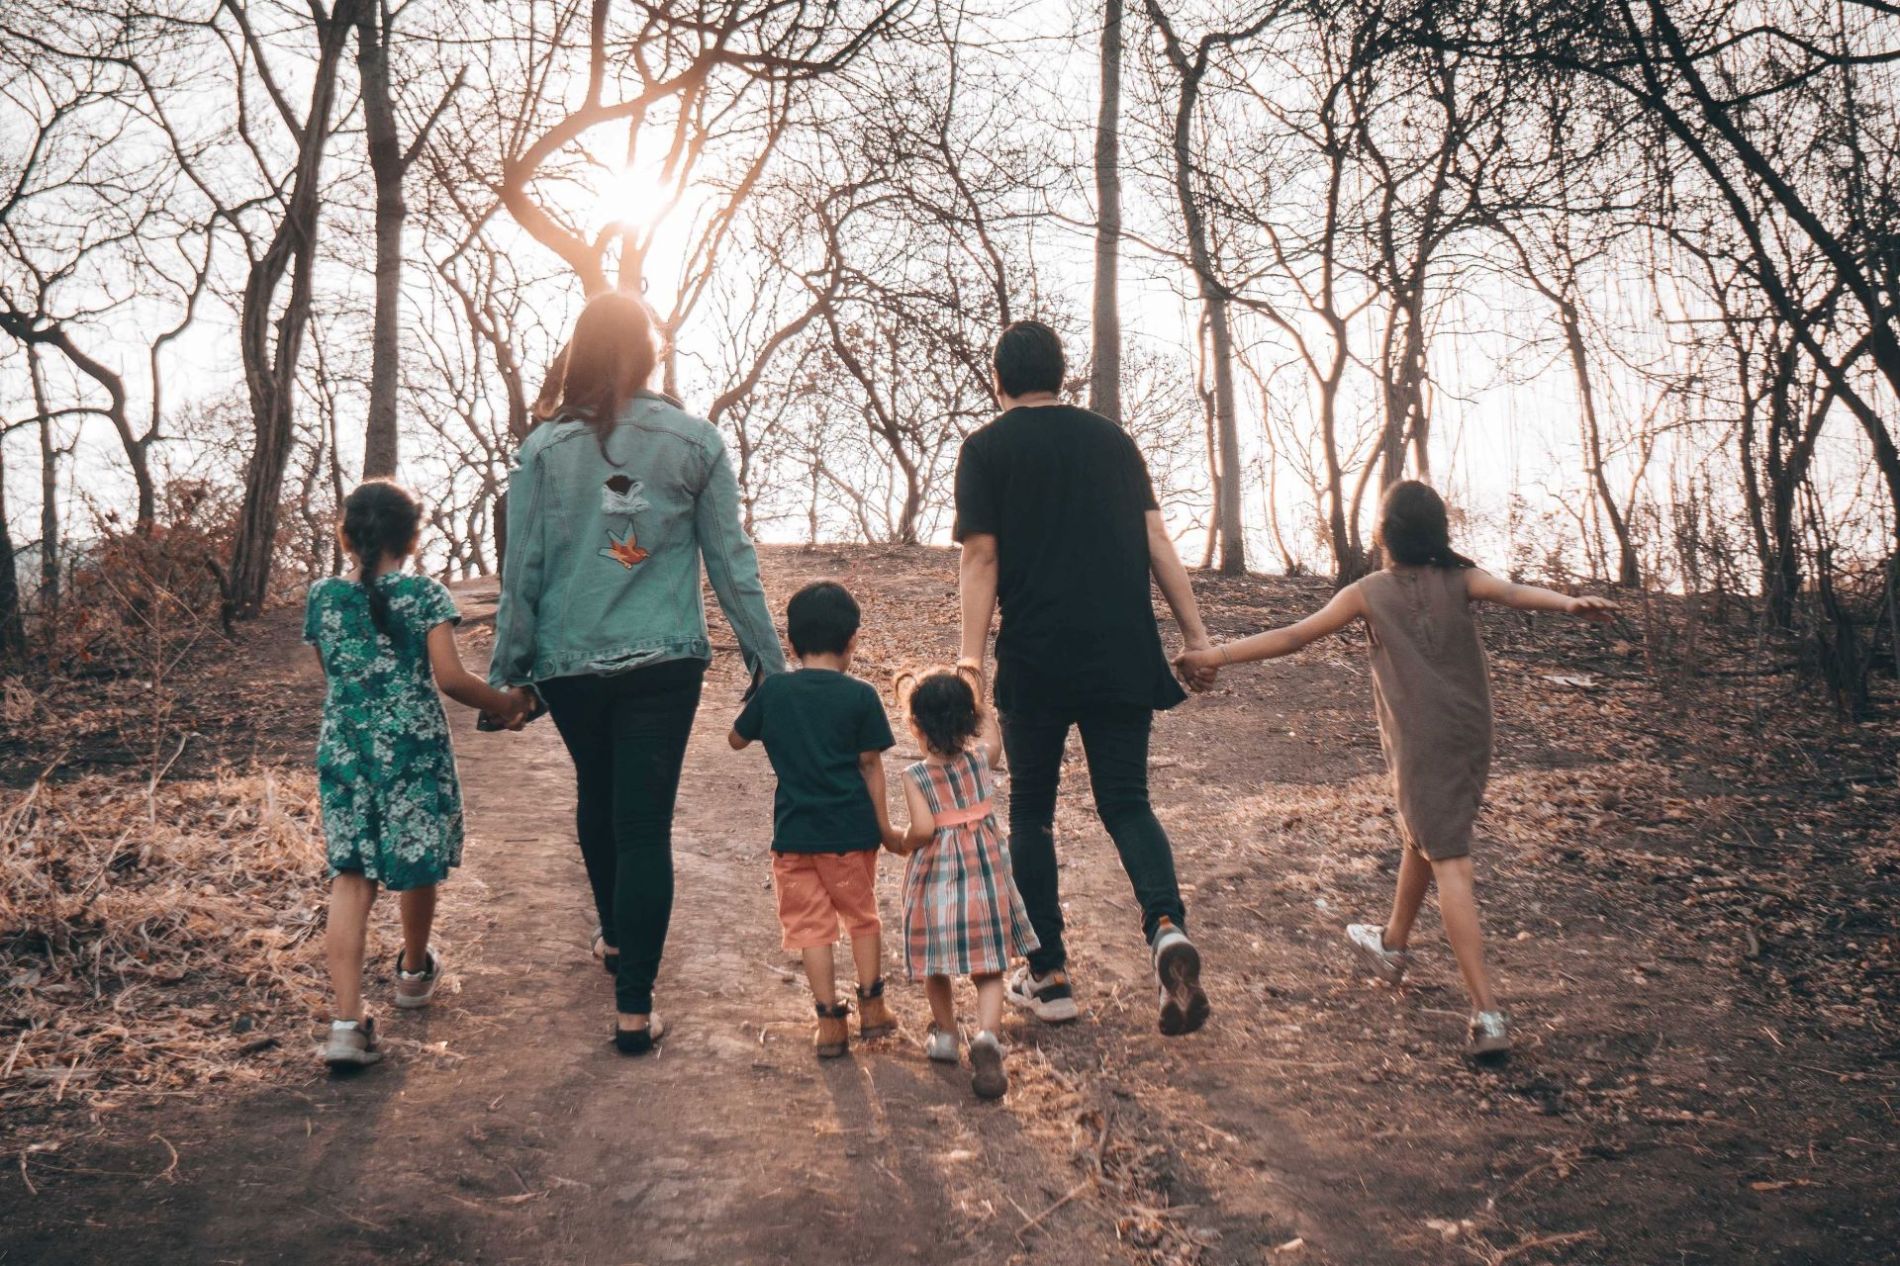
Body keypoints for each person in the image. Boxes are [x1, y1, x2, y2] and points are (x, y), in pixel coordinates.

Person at [1177, 480, 1619, 1056]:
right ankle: (1391, 944)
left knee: (1450, 859)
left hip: (1422, 740)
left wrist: (1217, 654)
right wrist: (1567, 601)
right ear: (1439, 532)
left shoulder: (1369, 591)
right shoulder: (1461, 579)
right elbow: (1511, 592)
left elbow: (1295, 636)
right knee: (1427, 834)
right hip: (1471, 733)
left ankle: (1488, 1015)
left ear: (1384, 534)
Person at [490, 291, 786, 1056]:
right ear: (650, 355)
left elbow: (522, 566)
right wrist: (766, 660)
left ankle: (619, 938)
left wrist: (511, 672)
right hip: (663, 660)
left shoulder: (543, 450)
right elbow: (733, 563)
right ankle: (632, 1006)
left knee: (599, 792)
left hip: (569, 661)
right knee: (643, 821)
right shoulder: (694, 441)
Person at [953, 318, 1214, 1036]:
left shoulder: (984, 449)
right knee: (1127, 801)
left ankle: (1051, 976)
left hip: (1037, 656)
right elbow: (1157, 540)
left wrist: (971, 661)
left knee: (1031, 813)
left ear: (998, 379)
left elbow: (980, 559)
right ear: (1061, 376)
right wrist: (1194, 637)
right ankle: (1165, 926)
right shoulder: (1113, 441)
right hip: (1123, 650)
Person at [307, 480, 530, 1069]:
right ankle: (412, 971)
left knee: (351, 874)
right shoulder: (424, 594)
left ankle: (347, 1024)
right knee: (417, 857)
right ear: (411, 536)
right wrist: (507, 703)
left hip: (346, 746)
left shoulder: (323, 597)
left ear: (348, 534)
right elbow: (452, 680)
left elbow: (333, 670)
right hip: (410, 747)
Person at [729, 582, 898, 1058]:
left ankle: (829, 1025)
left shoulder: (777, 692)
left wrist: (764, 700)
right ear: (852, 642)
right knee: (862, 917)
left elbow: (735, 740)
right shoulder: (861, 696)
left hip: (794, 836)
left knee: (811, 929)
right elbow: (870, 764)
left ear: (791, 643)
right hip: (849, 834)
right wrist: (884, 826)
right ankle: (873, 1010)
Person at [885, 667, 1039, 1100]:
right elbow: (994, 739)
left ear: (915, 725)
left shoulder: (915, 776)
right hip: (984, 876)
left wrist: (898, 841)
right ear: (969, 721)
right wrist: (983, 701)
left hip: (936, 881)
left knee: (935, 962)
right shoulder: (980, 759)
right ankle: (988, 1036)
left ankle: (948, 1036)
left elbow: (921, 830)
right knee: (989, 967)